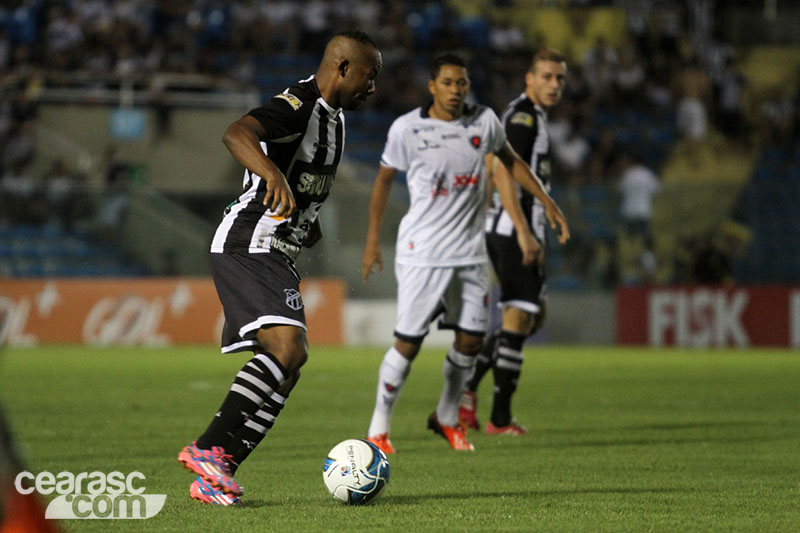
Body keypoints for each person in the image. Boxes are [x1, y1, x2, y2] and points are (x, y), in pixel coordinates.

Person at [177, 30, 382, 506]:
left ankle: (216, 472)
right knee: (288, 348)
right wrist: (270, 175)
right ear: (343, 68)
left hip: (276, 249)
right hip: (250, 241)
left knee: (289, 368)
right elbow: (237, 133)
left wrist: (306, 224)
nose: (373, 87)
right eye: (369, 76)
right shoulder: (299, 104)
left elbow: (303, 183)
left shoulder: (337, 121)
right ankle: (207, 447)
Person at [361, 53, 569, 454]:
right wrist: (373, 241)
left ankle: (447, 416)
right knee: (409, 342)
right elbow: (384, 180)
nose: (456, 91)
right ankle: (378, 428)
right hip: (422, 252)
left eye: (463, 84)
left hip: (471, 254)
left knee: (471, 341)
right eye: (449, 83)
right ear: (433, 86)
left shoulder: (485, 120)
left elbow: (511, 163)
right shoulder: (407, 129)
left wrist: (547, 200)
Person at [458, 48, 568, 436]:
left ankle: (467, 389)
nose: (555, 84)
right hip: (513, 230)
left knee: (531, 316)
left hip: (515, 227)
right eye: (548, 77)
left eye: (560, 78)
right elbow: (502, 167)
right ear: (530, 79)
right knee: (520, 317)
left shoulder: (528, 115)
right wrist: (523, 231)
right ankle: (498, 419)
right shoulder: (523, 117)